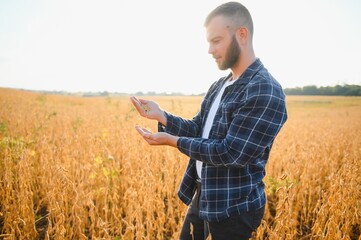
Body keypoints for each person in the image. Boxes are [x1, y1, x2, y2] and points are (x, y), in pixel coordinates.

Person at [130, 2, 287, 239]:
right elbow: (198, 128)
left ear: (241, 34)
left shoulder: (264, 89)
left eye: (216, 41)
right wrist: (162, 115)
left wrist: (173, 141)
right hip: (205, 194)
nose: (210, 50)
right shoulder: (220, 85)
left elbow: (231, 153)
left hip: (234, 207)